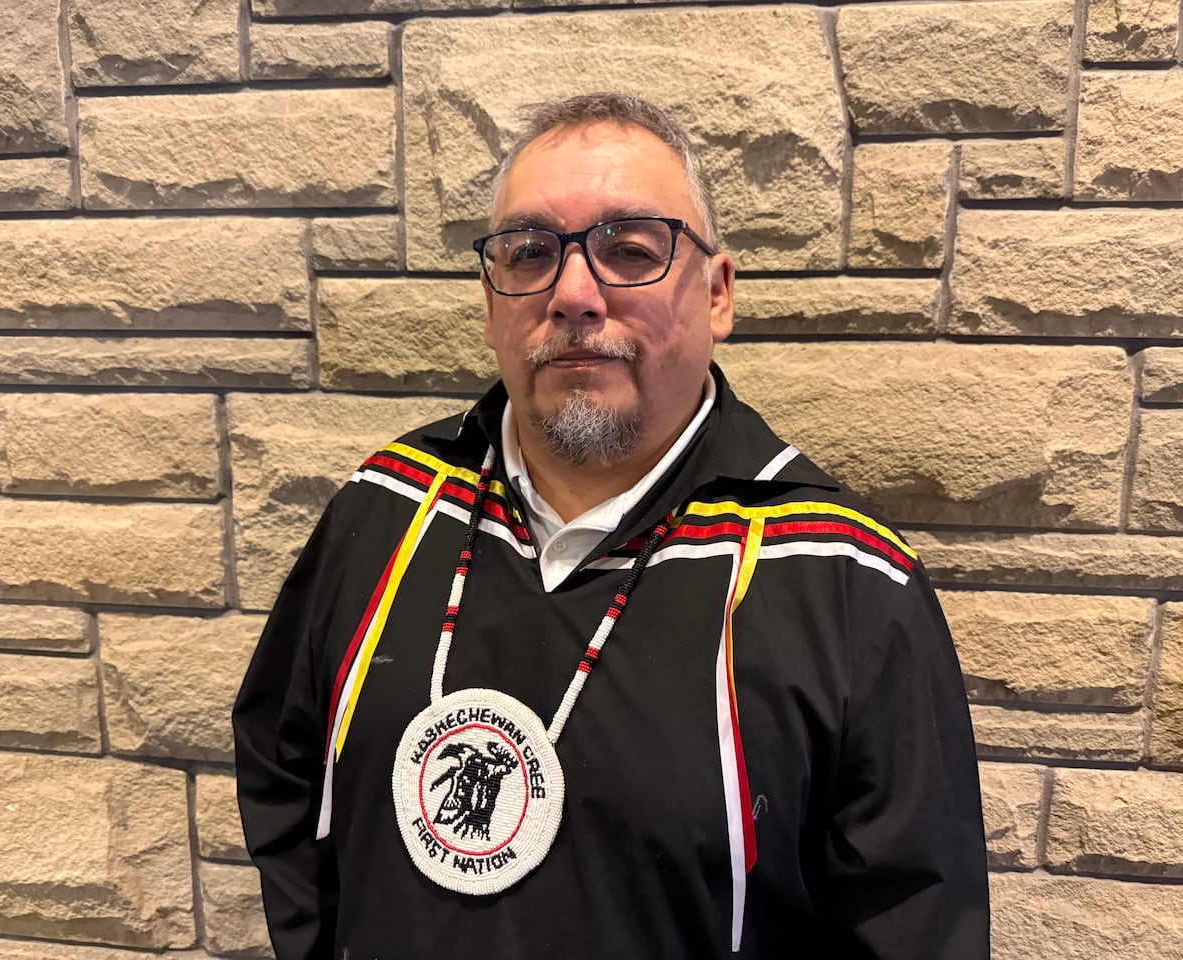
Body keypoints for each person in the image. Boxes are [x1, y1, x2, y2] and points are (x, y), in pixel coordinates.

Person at [234, 92, 990, 960]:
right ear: (490, 303)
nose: (574, 294)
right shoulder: (384, 509)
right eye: (528, 254)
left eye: (630, 249)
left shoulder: (845, 580)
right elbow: (281, 767)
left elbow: (915, 926)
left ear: (717, 293)